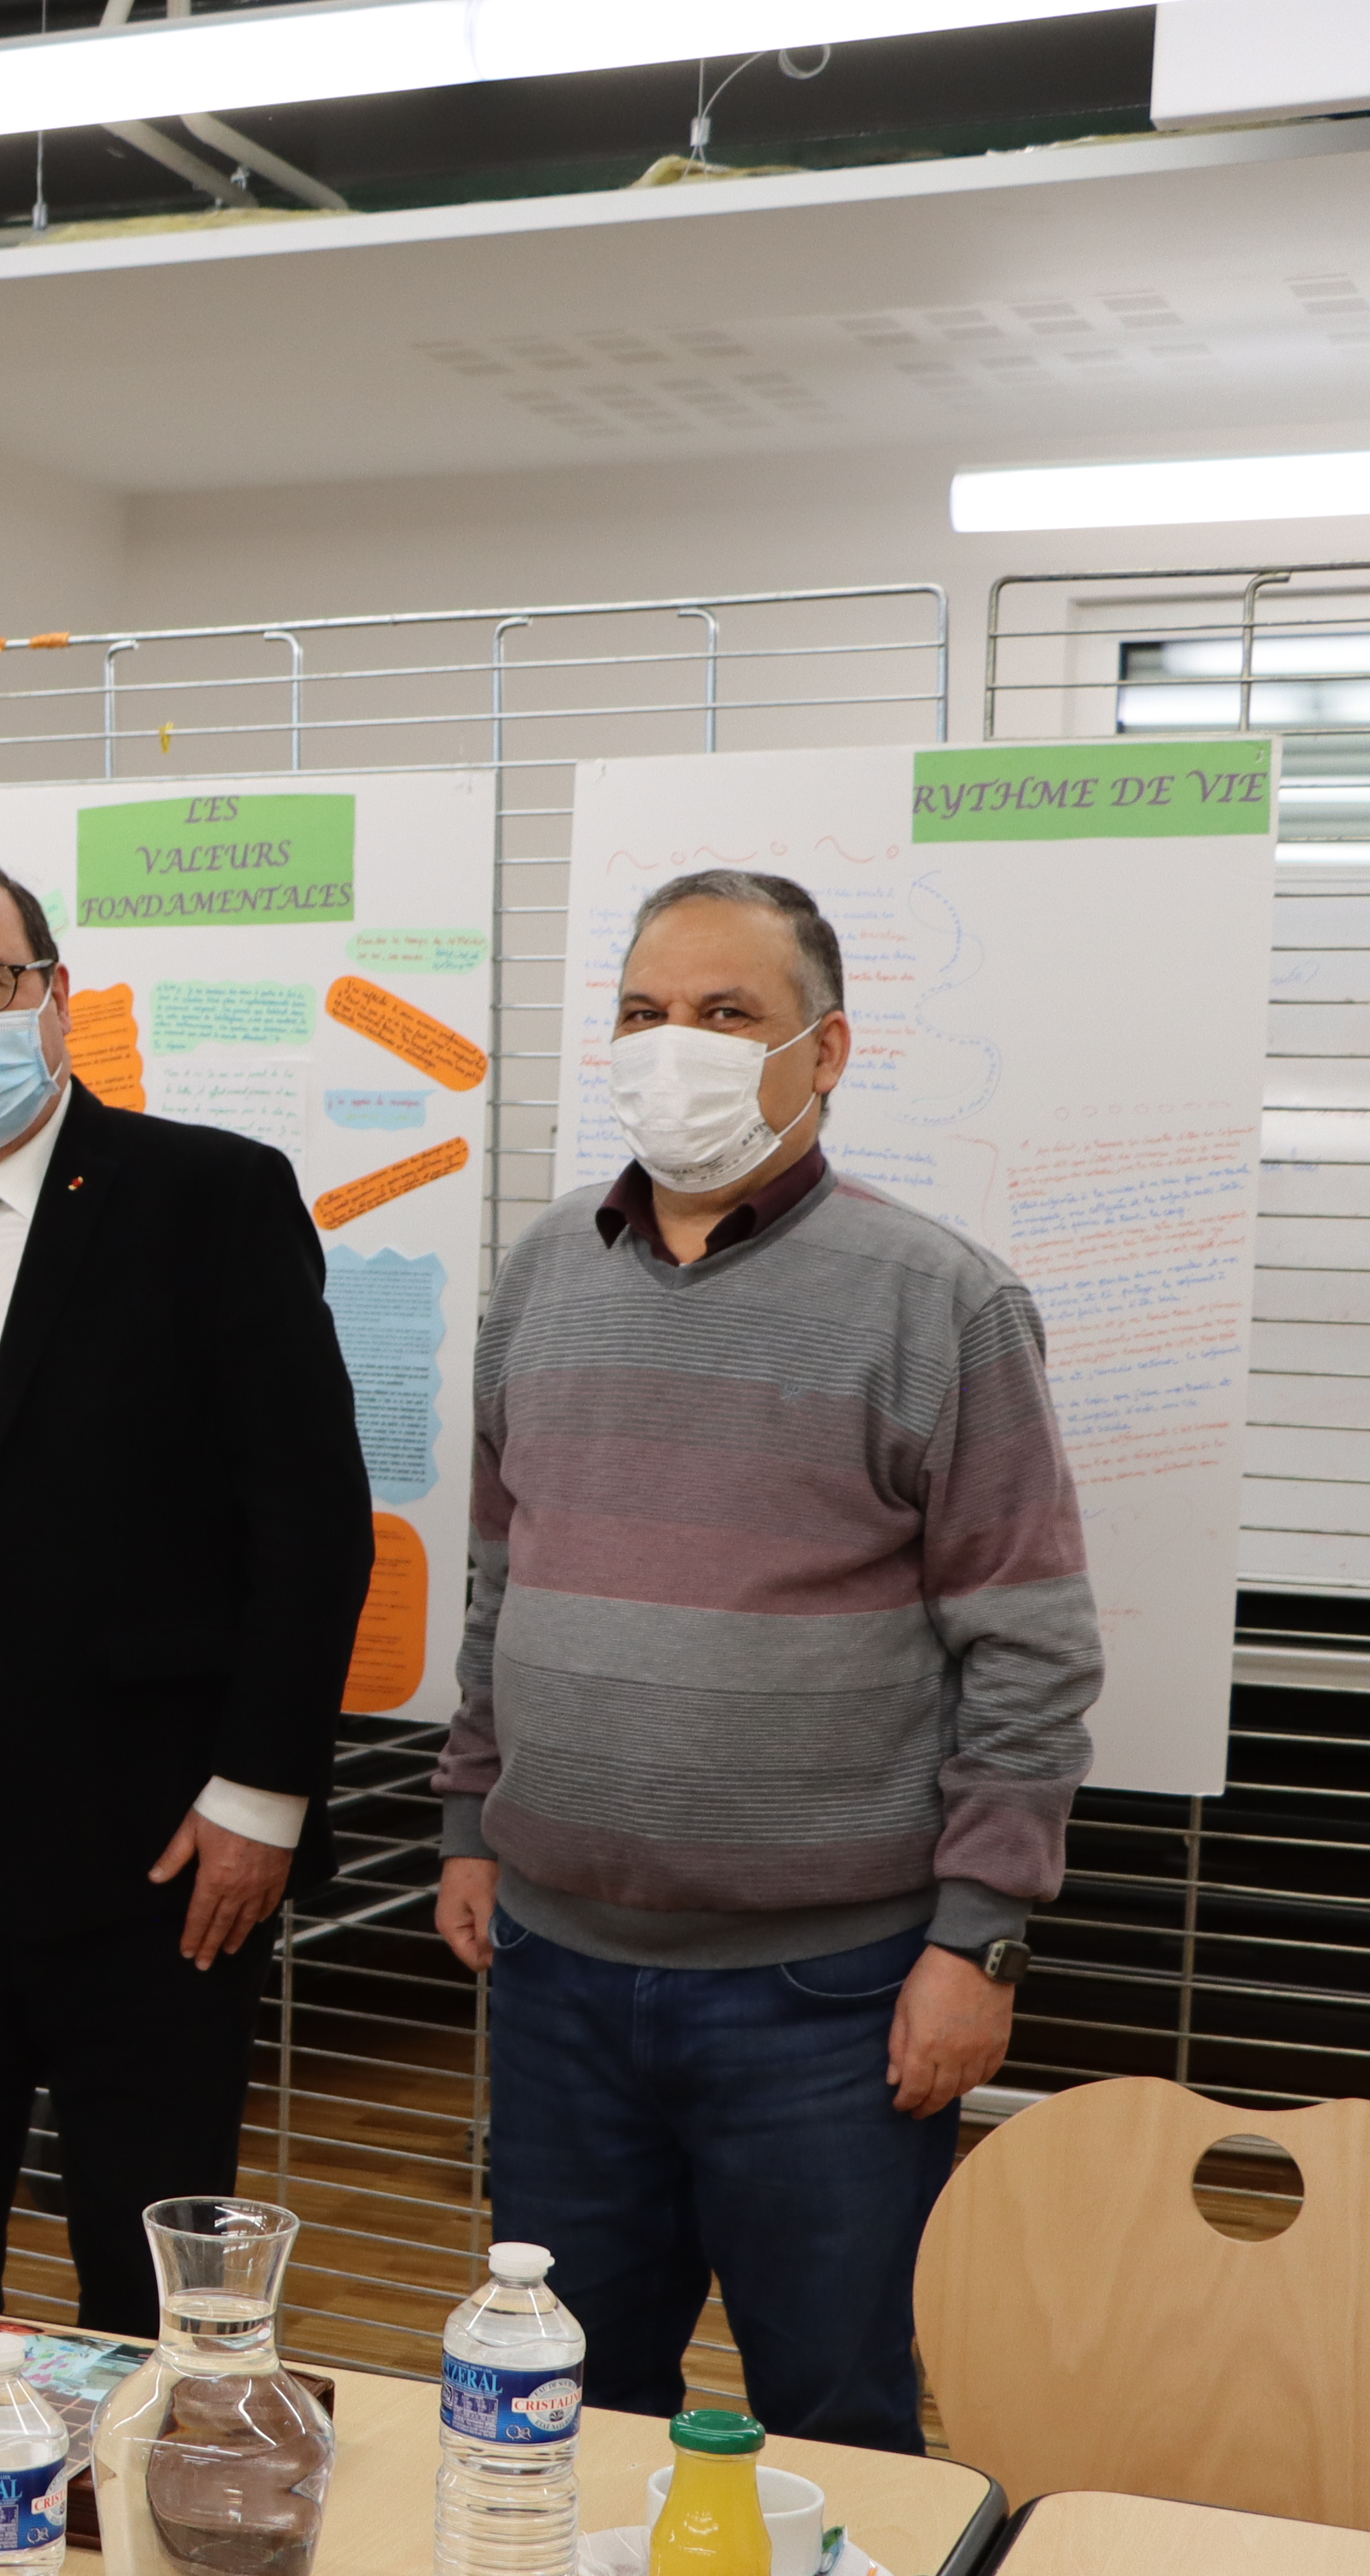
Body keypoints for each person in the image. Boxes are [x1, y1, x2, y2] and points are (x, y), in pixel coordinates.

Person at [434, 867, 1101, 2452]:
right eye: (642, 1014)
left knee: (835, 2418)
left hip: (829, 1992)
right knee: (564, 2410)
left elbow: (1028, 1641)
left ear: (827, 1049)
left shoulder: (939, 1298)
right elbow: (497, 1572)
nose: (676, 1047)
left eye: (725, 1013)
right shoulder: (541, 1274)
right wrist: (469, 1812)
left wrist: (979, 1938)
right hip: (555, 1974)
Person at [0, 855, 371, 2344]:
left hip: (153, 1857)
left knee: (146, 2282)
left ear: (54, 992)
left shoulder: (206, 1198)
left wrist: (261, 1793)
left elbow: (310, 1521)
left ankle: (146, 2555)